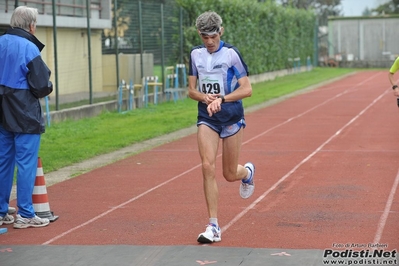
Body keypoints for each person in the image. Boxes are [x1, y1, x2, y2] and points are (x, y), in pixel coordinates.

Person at [188, 11, 255, 244]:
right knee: (207, 166)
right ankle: (213, 226)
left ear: (221, 32)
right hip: (207, 117)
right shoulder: (195, 55)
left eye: (213, 36)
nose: (209, 41)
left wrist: (222, 99)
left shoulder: (231, 54)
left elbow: (247, 89)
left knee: (229, 174)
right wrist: (204, 98)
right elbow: (191, 91)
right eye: (205, 36)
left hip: (232, 117)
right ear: (200, 34)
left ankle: (246, 173)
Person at [0, 6, 53, 229]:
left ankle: (2, 211)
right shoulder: (29, 47)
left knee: (3, 162)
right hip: (24, 111)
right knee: (26, 164)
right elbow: (41, 85)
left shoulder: (1, 42)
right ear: (31, 25)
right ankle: (25, 214)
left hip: (2, 110)